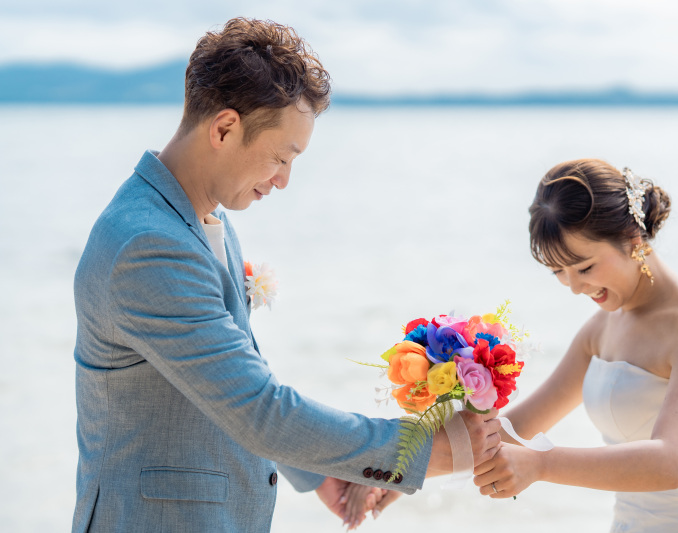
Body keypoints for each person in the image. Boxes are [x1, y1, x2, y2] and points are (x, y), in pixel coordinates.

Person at [71, 17, 501, 532]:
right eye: (281, 156)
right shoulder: (148, 244)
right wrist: (430, 450)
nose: (283, 180)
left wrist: (314, 469)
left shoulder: (200, 218)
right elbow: (257, 409)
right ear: (224, 129)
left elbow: (225, 375)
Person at [473, 159, 678, 531]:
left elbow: (670, 463)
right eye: (558, 272)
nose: (574, 287)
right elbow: (511, 430)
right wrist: (412, 459)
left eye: (584, 268)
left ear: (632, 239)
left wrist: (541, 464)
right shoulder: (600, 330)